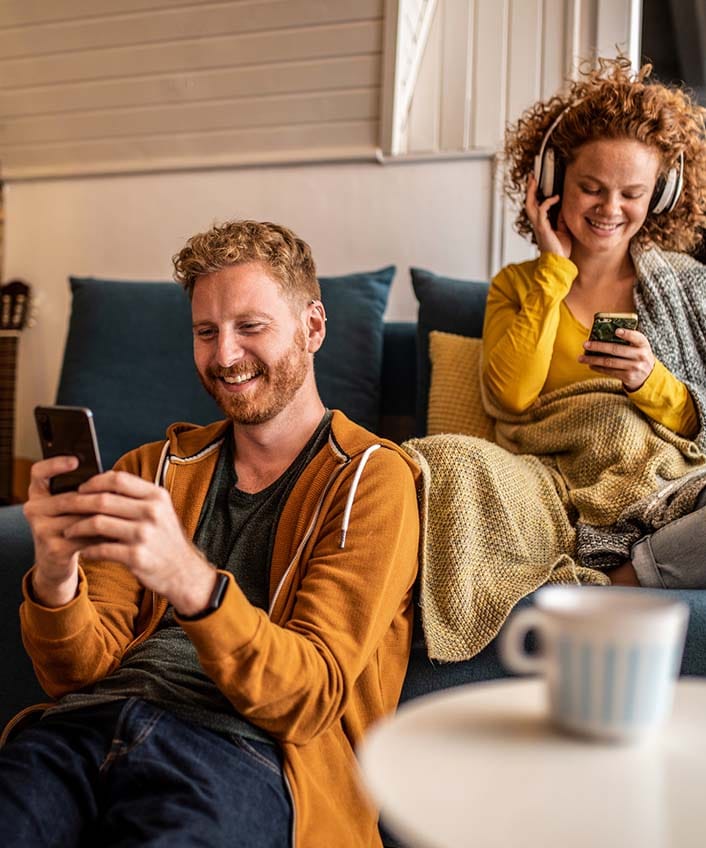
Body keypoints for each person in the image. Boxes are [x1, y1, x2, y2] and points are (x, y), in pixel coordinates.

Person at [0, 220, 420, 847]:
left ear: (312, 327)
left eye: (251, 327)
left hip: (242, 752)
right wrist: (57, 573)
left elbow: (310, 695)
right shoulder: (150, 468)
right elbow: (75, 674)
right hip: (83, 729)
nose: (224, 356)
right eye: (205, 332)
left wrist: (189, 580)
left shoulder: (371, 480)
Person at [484, 56, 706, 588]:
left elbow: (700, 427)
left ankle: (624, 579)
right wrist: (553, 270)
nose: (610, 208)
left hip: (666, 487)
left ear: (662, 195)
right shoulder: (517, 286)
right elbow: (511, 398)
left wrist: (649, 381)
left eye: (632, 194)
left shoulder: (689, 285)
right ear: (552, 181)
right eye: (592, 188)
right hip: (552, 487)